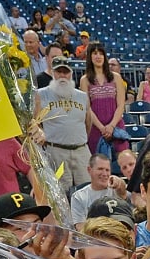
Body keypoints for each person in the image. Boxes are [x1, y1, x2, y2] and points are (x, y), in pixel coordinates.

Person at [35, 55, 91, 194]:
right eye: (58, 72)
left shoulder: (82, 96)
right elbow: (36, 123)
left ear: (70, 73)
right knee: (60, 193)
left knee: (87, 190)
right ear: (52, 72)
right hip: (56, 151)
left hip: (81, 151)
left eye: (65, 72)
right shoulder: (41, 95)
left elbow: (87, 123)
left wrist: (78, 139)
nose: (62, 76)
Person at [80, 41, 128, 158]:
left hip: (116, 127)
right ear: (89, 57)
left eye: (101, 53)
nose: (98, 56)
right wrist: (102, 128)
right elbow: (87, 108)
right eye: (95, 53)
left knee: (124, 161)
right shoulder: (84, 80)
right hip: (95, 129)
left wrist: (111, 126)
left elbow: (121, 105)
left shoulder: (116, 77)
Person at [71, 153, 127, 224]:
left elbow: (124, 194)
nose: (104, 174)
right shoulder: (78, 197)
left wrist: (119, 183)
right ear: (89, 170)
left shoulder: (116, 190)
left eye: (107, 170)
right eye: (100, 169)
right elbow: (80, 227)